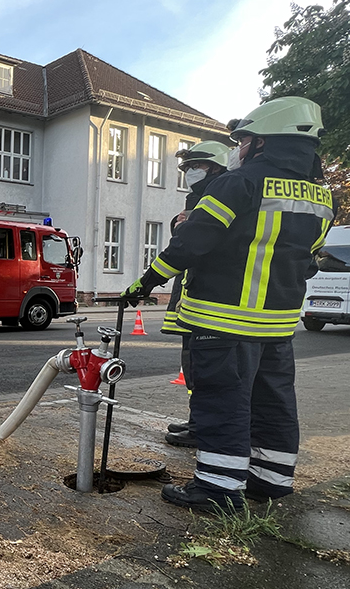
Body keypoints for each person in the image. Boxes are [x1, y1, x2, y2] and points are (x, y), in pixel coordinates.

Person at [122, 96, 331, 512]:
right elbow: (309, 259)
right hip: (278, 326)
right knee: (273, 403)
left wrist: (145, 283)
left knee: (222, 403)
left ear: (263, 141)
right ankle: (270, 481)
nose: (239, 148)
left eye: (243, 140)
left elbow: (190, 244)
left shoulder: (239, 184)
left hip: (224, 320)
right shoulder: (323, 198)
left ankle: (217, 489)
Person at [162, 141, 231, 449]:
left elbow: (203, 244)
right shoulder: (197, 198)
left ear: (215, 167)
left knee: (206, 371)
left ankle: (206, 428)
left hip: (213, 303)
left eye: (196, 166)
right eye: (187, 167)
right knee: (192, 367)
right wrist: (178, 225)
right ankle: (198, 421)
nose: (190, 172)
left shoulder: (223, 195)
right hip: (192, 299)